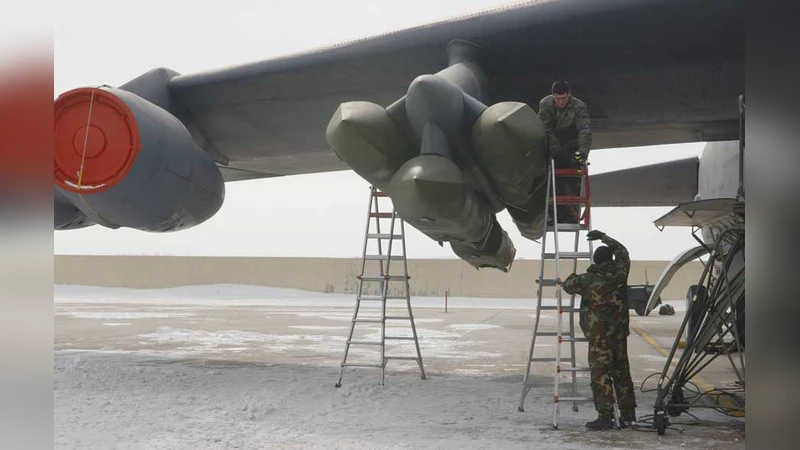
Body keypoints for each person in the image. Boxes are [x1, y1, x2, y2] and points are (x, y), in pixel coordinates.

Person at [561, 230, 637, 430]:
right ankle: (629, 415)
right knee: (622, 374)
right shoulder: (621, 273)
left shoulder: (588, 280)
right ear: (610, 259)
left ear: (596, 261)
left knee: (601, 375)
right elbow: (623, 252)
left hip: (599, 337)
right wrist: (604, 237)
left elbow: (568, 285)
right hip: (619, 335)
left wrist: (578, 274)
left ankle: (605, 416)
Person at [538, 81, 592, 223]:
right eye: (557, 99)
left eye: (563, 99)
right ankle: (552, 214)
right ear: (553, 96)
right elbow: (545, 129)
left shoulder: (579, 106)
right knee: (548, 176)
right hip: (552, 143)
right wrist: (555, 149)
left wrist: (583, 151)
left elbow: (584, 130)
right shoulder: (545, 104)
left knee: (572, 174)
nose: (560, 102)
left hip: (570, 143)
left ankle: (570, 215)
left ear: (569, 95)